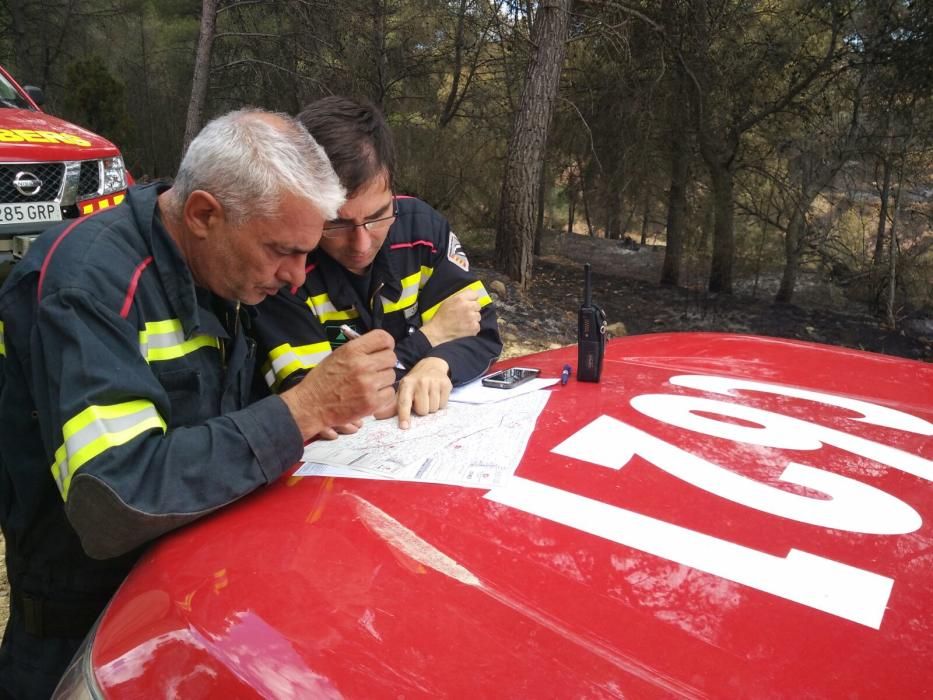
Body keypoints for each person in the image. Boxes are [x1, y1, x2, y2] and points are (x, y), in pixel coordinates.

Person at [0, 108, 398, 699]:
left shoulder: (222, 264)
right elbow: (115, 499)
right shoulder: (88, 283)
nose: (296, 277)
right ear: (203, 213)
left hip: (193, 617)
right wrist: (301, 411)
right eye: (283, 251)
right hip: (82, 644)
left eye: (307, 252)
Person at [254, 96, 502, 430]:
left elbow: (482, 332)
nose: (361, 243)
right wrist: (431, 339)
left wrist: (440, 363)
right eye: (336, 223)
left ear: (394, 192)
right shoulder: (285, 266)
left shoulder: (422, 229)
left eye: (378, 216)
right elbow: (322, 400)